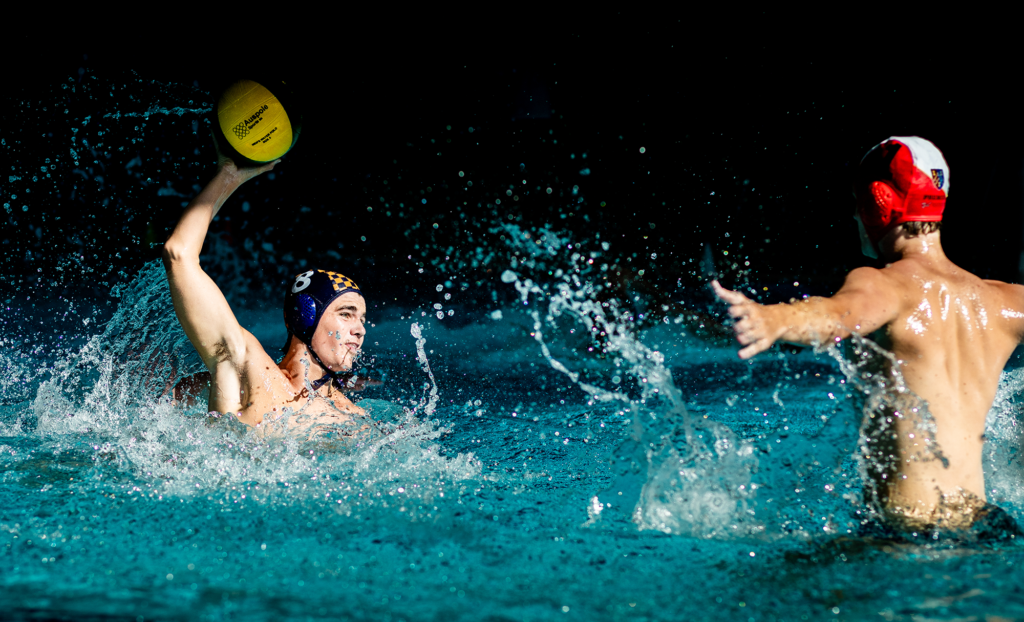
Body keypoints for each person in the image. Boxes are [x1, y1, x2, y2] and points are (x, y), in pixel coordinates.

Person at [713, 136, 1024, 538]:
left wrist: (774, 319)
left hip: (907, 533)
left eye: (856, 203)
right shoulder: (1002, 301)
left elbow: (838, 315)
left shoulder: (884, 286)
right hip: (984, 527)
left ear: (878, 202)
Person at [162, 153, 369, 433]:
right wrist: (229, 175)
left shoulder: (353, 419)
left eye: (363, 320)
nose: (359, 330)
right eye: (346, 314)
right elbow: (179, 254)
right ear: (306, 315)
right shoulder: (247, 366)